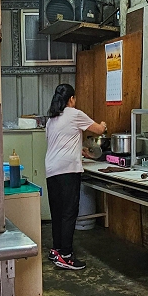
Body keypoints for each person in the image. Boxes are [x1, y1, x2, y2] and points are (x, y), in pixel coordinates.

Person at [44, 83, 107, 270]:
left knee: (57, 212)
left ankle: (56, 250)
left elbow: (60, 143)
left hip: (52, 169)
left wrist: (80, 150)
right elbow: (98, 130)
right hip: (68, 170)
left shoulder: (51, 119)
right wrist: (104, 125)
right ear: (71, 99)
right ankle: (66, 255)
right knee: (69, 213)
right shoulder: (74, 114)